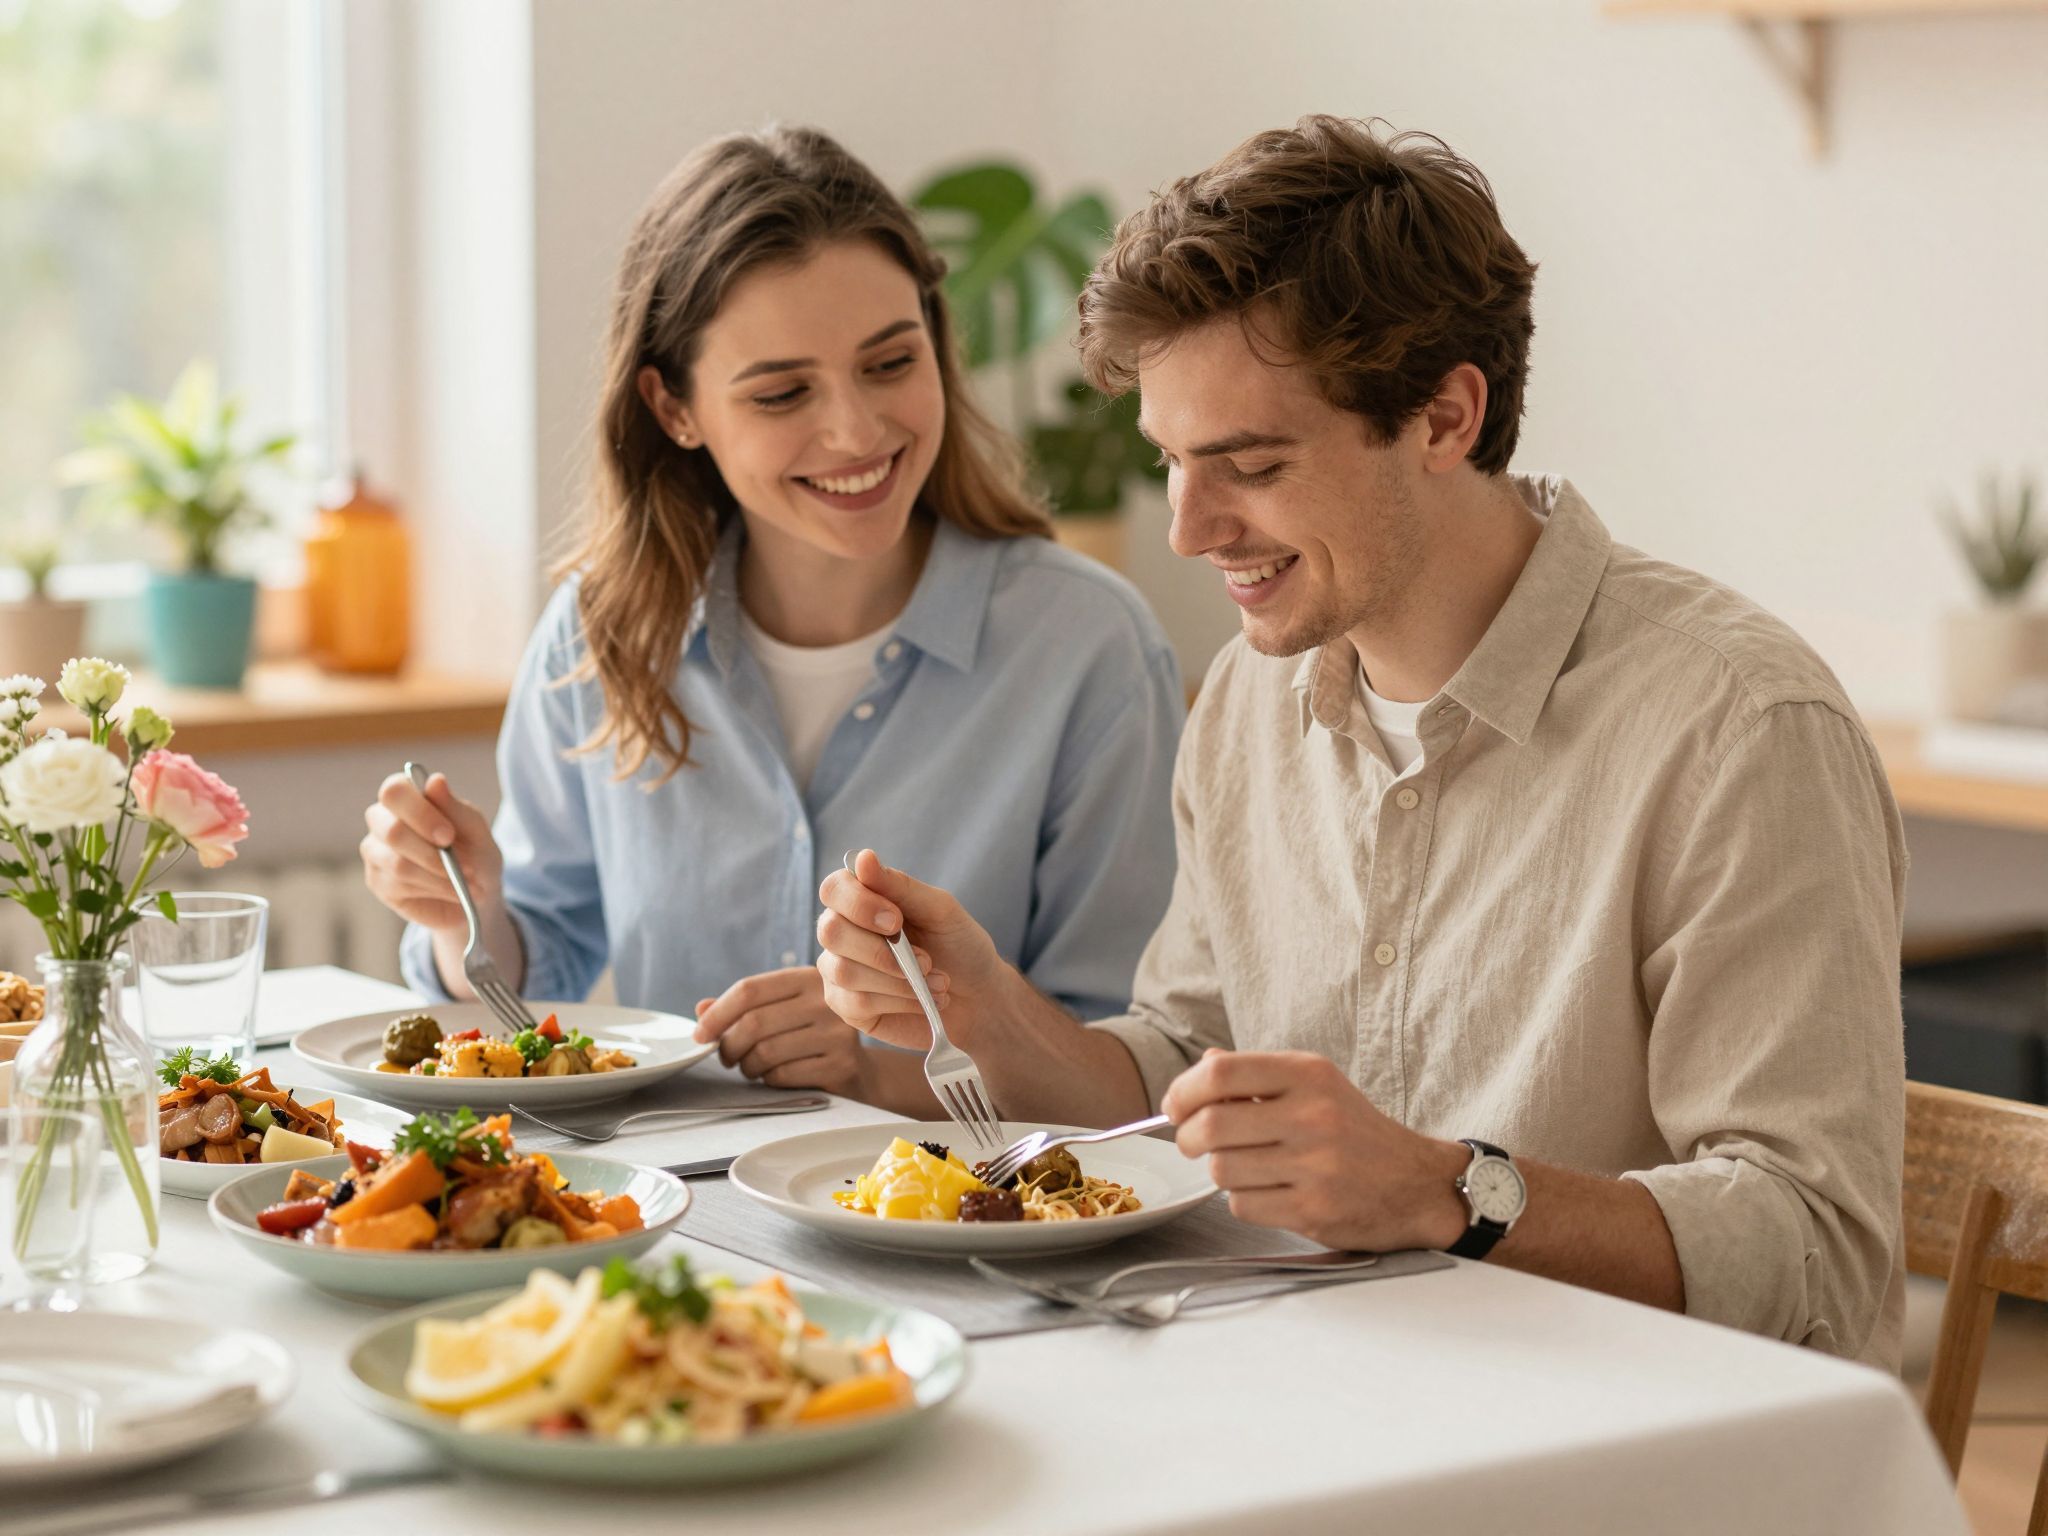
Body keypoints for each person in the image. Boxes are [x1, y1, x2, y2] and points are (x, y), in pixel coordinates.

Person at [817, 115, 1906, 1366]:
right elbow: (1180, 1063)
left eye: (1250, 464)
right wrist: (990, 1015)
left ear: (1444, 419)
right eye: (1170, 461)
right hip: (1324, 1393)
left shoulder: (1738, 730)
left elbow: (1813, 1244)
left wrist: (1450, 1190)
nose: (1187, 528)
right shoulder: (1244, 698)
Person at [358, 125, 1183, 1115]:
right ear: (673, 409)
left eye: (888, 363)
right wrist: (466, 912)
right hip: (678, 1227)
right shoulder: (600, 632)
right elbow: (540, 974)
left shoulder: (1084, 646)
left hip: (975, 1234)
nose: (856, 431)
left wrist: (879, 1070)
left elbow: (1127, 1067)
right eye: (783, 391)